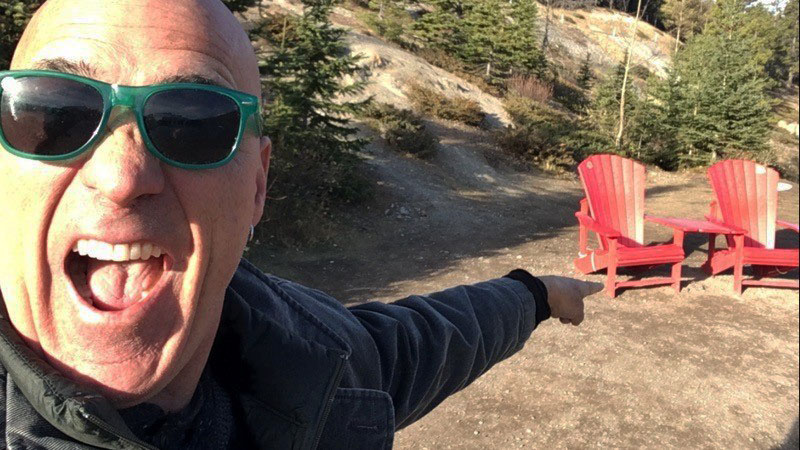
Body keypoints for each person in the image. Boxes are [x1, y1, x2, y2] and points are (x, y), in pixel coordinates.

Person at [0, 0, 602, 448]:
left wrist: (537, 294)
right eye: (57, 114)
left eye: (193, 122)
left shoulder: (320, 366)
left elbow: (422, 344)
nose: (122, 175)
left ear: (257, 186)